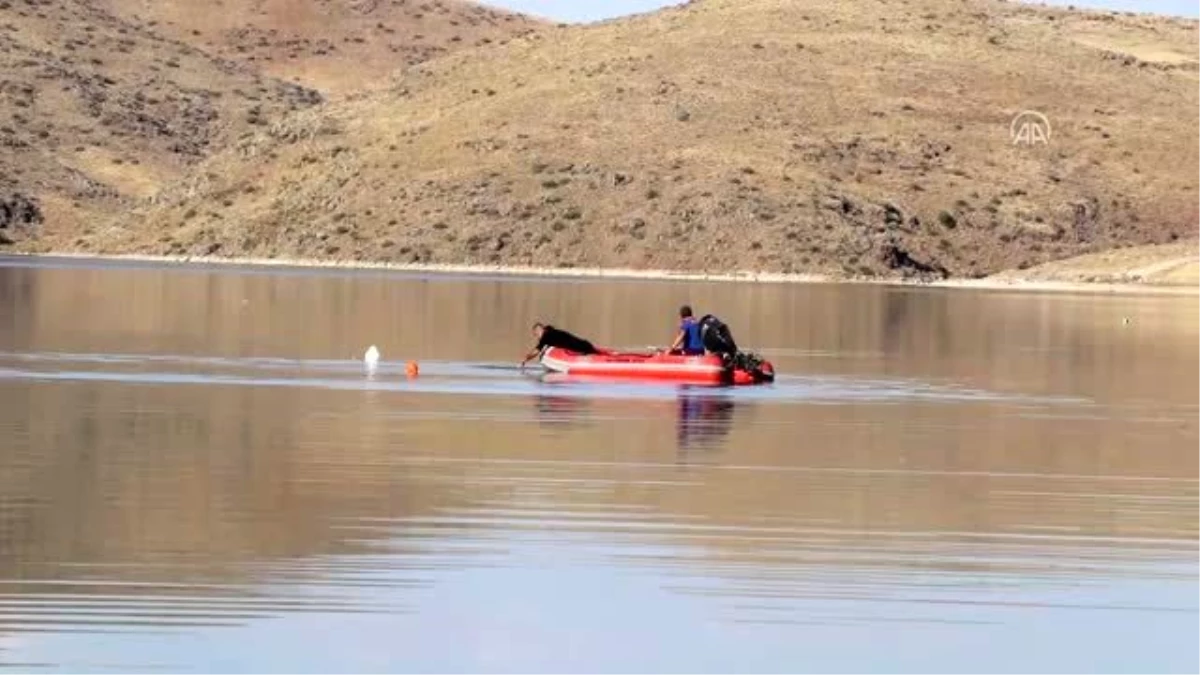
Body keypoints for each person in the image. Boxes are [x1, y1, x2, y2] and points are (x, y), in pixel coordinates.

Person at [520, 322, 598, 368]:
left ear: (540, 330)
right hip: (584, 344)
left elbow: (536, 351)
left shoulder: (546, 337)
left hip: (580, 348)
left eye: (536, 334)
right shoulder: (552, 331)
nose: (537, 337)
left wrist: (525, 359)